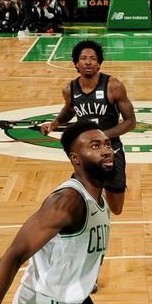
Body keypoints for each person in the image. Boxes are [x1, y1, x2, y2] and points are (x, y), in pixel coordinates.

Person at [0, 121, 116, 304]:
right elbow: (13, 256)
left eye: (107, 144)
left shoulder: (98, 198)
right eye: (95, 146)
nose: (106, 151)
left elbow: (71, 265)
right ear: (75, 159)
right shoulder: (67, 202)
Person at [41, 40, 135, 216]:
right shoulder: (69, 88)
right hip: (86, 155)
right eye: (83, 58)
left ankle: (102, 196)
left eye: (93, 58)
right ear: (76, 63)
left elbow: (130, 122)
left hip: (111, 151)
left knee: (117, 209)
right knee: (79, 201)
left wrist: (102, 136)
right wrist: (54, 123)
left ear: (99, 63)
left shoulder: (114, 86)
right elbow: (69, 110)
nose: (88, 62)